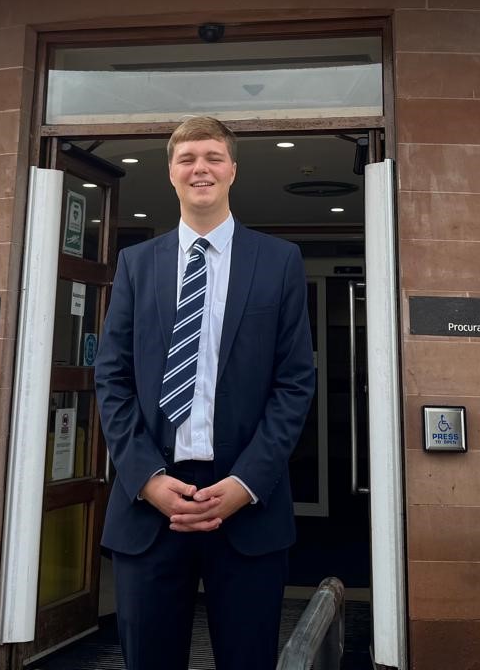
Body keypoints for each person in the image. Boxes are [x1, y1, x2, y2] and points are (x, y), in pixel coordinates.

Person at [93, 115, 317, 670]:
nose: (201, 168)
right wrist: (145, 478)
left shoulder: (279, 261)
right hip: (151, 507)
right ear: (170, 173)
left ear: (233, 170)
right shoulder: (136, 265)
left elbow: (295, 383)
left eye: (213, 157)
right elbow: (112, 378)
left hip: (246, 503)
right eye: (188, 158)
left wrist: (245, 483)